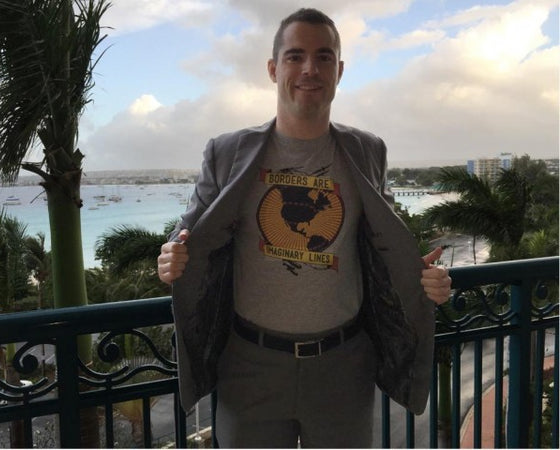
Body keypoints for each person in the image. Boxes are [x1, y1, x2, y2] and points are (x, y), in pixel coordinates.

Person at [157, 8, 451, 448]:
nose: (310, 69)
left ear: (339, 70)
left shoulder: (367, 150)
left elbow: (387, 243)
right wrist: (169, 258)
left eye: (323, 57)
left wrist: (428, 280)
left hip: (343, 367)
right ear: (273, 69)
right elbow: (186, 234)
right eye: (295, 56)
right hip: (249, 367)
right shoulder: (227, 152)